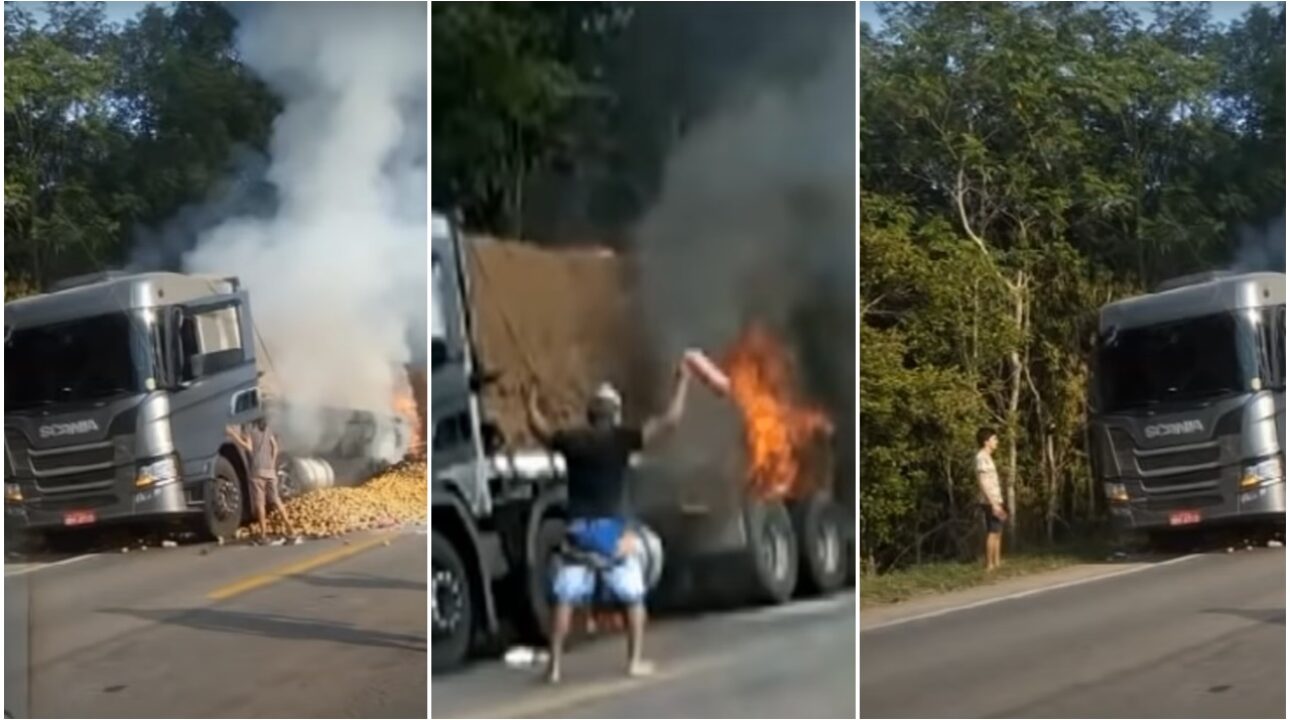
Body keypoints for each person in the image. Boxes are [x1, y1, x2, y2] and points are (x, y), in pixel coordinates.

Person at [525, 362, 691, 684]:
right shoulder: (621, 440)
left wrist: (530, 397)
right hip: (612, 535)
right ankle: (634, 662)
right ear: (614, 414)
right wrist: (682, 381)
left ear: (590, 414)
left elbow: (539, 428)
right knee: (633, 598)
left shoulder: (573, 441)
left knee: (565, 598)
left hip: (577, 535)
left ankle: (555, 667)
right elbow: (670, 421)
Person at [227, 418, 296, 542]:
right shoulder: (267, 428)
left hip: (257, 471)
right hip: (270, 471)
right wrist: (272, 463)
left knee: (260, 504)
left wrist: (234, 436)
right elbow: (275, 447)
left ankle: (263, 534)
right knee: (276, 500)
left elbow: (248, 447)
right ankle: (290, 528)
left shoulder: (249, 428)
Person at [975, 427, 1007, 572]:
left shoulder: (989, 457)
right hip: (989, 500)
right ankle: (989, 565)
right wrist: (992, 502)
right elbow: (982, 481)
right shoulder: (981, 457)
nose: (996, 442)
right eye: (994, 439)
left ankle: (997, 562)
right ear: (986, 441)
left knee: (998, 530)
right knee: (992, 531)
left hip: (996, 498)